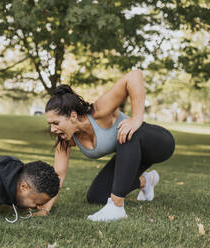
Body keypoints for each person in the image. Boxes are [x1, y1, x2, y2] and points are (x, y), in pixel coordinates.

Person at [39, 70, 175, 222]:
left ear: (73, 116)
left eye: (56, 123)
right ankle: (146, 181)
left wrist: (136, 118)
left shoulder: (99, 112)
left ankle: (116, 207)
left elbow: (134, 75)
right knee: (96, 196)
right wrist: (45, 209)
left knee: (125, 132)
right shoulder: (65, 138)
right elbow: (59, 174)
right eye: (50, 124)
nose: (52, 129)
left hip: (159, 144)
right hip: (132, 156)